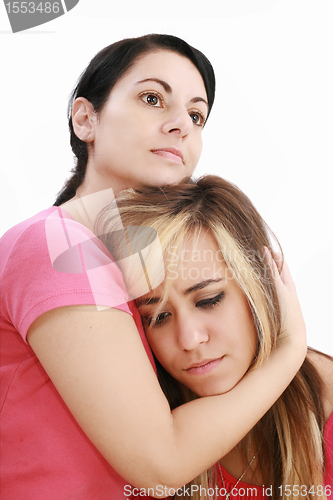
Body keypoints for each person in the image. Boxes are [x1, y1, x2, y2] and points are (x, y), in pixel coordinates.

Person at [0, 35, 306, 500]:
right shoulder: (58, 243)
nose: (181, 124)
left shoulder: (135, 258)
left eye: (196, 114)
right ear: (86, 118)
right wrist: (288, 353)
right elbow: (159, 463)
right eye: (152, 98)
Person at [100, 175, 333, 500]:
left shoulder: (326, 407)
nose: (190, 339)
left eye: (209, 300)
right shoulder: (141, 438)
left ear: (261, 289)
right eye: (158, 317)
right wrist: (289, 348)